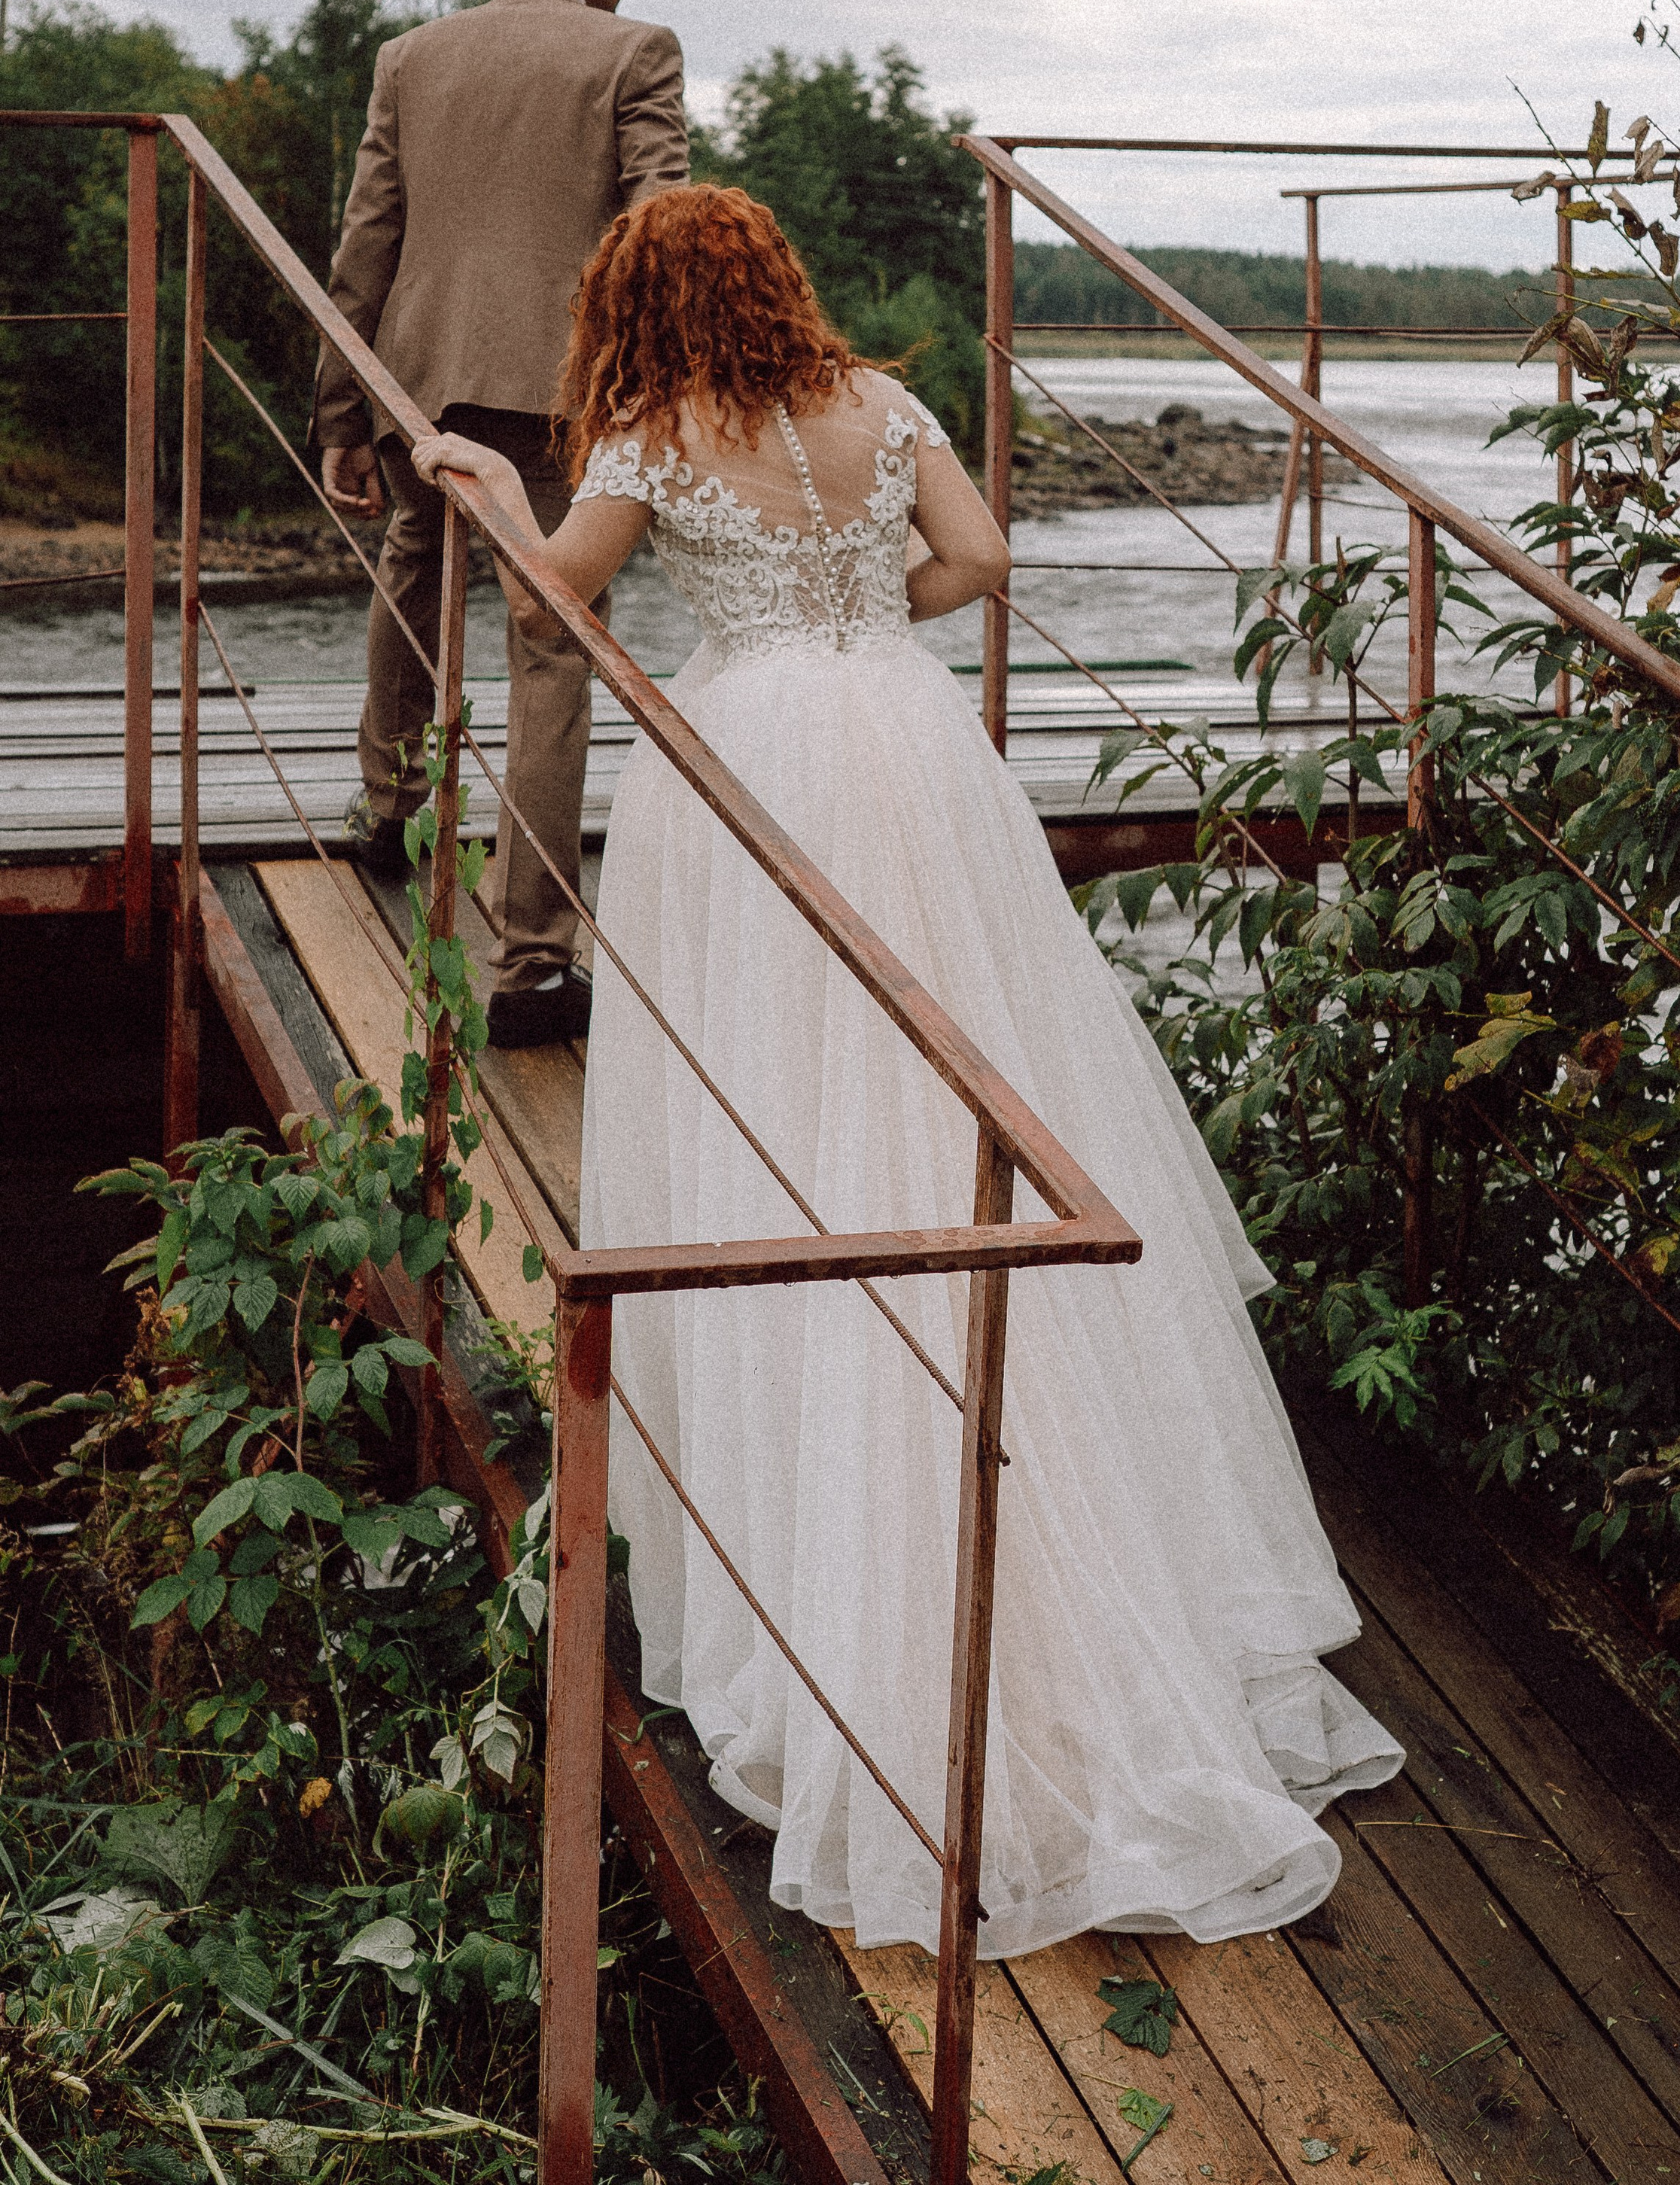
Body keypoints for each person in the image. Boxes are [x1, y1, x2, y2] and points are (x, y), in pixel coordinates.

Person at [411, 183, 1400, 1957]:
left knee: (789, 1091)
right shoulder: (887, 404)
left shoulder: (651, 425)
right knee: (979, 1058)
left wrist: (482, 489)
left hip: (762, 752)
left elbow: (560, 606)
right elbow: (983, 564)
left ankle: (821, 1501)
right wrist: (875, 617)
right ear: (781, 282)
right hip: (913, 743)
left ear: (634, 304)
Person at [316, 0, 686, 1048]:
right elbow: (654, 228)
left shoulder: (413, 58)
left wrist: (343, 409)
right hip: (563, 388)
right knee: (553, 642)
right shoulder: (635, 53)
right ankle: (531, 962)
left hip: (424, 380)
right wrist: (654, 388)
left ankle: (390, 804)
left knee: (413, 572)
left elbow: (369, 232)